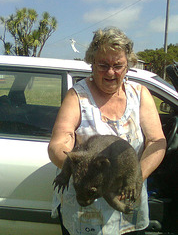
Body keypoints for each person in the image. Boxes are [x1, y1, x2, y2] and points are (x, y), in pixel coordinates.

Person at [48, 27, 166, 235]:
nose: (111, 72)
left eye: (117, 65)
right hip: (85, 215)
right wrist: (76, 168)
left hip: (128, 206)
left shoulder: (140, 94)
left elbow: (157, 141)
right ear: (92, 63)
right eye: (103, 65)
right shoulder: (77, 97)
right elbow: (59, 143)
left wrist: (135, 179)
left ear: (127, 65)